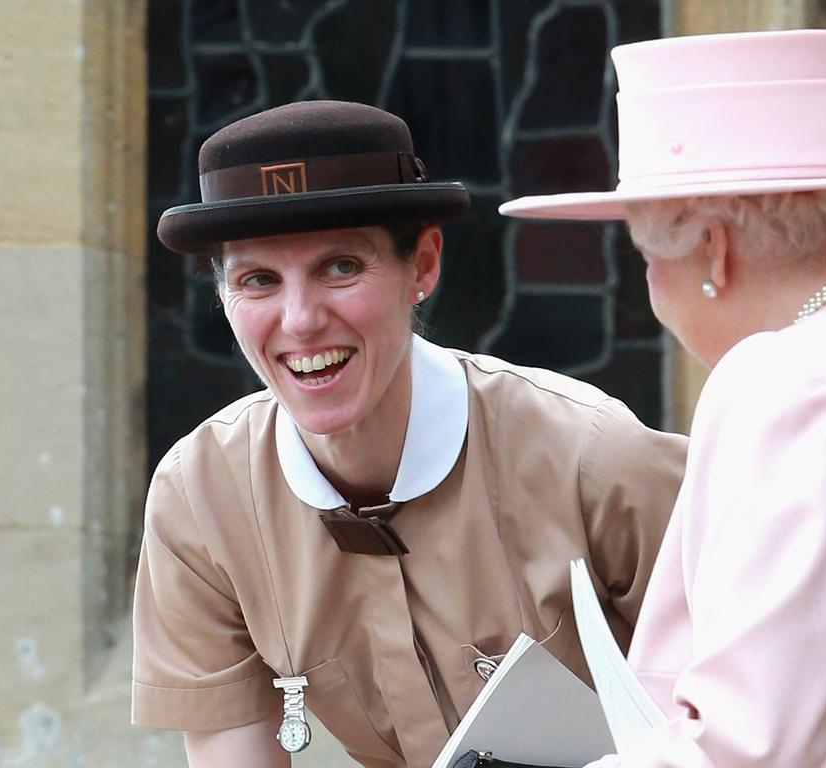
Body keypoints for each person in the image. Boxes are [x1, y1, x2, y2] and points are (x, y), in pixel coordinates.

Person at [501, 29, 826, 767]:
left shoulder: (787, 382)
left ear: (714, 249)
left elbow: (748, 746)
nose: (649, 288)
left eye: (648, 257)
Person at [131, 100, 686, 768]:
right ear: (223, 297)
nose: (301, 320)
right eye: (258, 280)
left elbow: (756, 718)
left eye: (341, 267)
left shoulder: (596, 458)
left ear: (422, 265)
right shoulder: (200, 501)